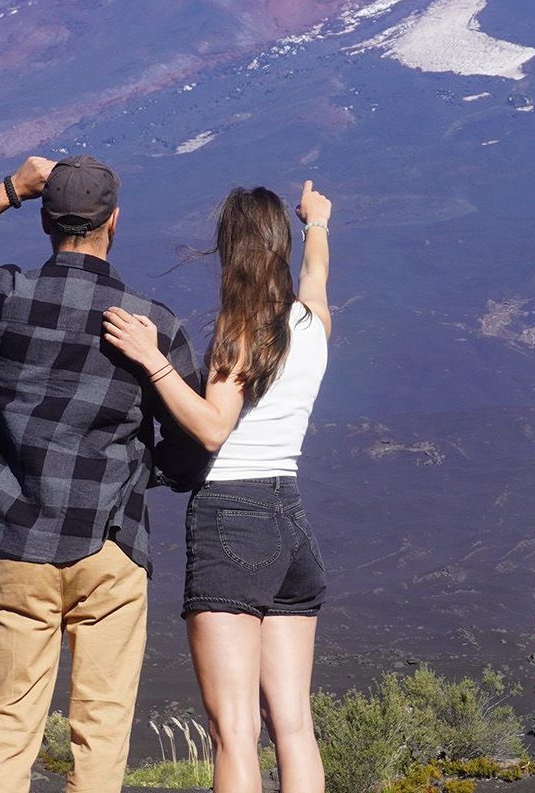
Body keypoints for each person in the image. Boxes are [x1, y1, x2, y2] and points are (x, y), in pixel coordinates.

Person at [0, 155, 201, 793]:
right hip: (113, 545)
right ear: (113, 222)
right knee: (102, 727)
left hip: (16, 545)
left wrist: (10, 188)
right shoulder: (153, 324)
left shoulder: (4, 298)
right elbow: (189, 444)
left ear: (44, 220)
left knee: (10, 725)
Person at [101, 181, 333, 793]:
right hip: (292, 525)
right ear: (278, 244)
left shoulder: (242, 326)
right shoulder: (310, 323)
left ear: (231, 249)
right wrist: (319, 225)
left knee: (233, 730)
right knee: (294, 726)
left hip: (233, 518)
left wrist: (153, 361)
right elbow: (316, 280)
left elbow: (211, 428)